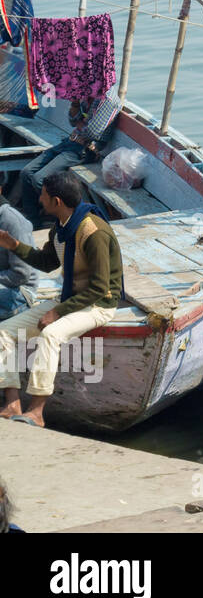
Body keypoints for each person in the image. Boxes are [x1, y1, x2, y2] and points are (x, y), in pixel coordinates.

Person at [0, 171, 124, 427]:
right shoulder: (61, 228)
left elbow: (100, 288)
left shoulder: (93, 232)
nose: (39, 199)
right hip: (71, 298)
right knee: (4, 332)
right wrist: (14, 245)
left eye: (43, 195)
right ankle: (12, 404)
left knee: (51, 334)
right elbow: (47, 262)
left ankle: (37, 411)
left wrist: (57, 312)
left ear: (56, 201)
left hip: (98, 305)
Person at [20, 91, 121, 223]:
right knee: (26, 173)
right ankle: (33, 220)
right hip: (71, 141)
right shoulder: (88, 92)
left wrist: (80, 124)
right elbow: (73, 121)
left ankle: (65, 217)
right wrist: (75, 103)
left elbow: (92, 132)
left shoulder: (108, 99)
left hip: (85, 149)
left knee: (39, 179)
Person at [0, 203, 38, 316]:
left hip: (20, 291)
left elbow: (21, 274)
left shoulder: (13, 222)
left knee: (21, 332)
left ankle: (21, 333)